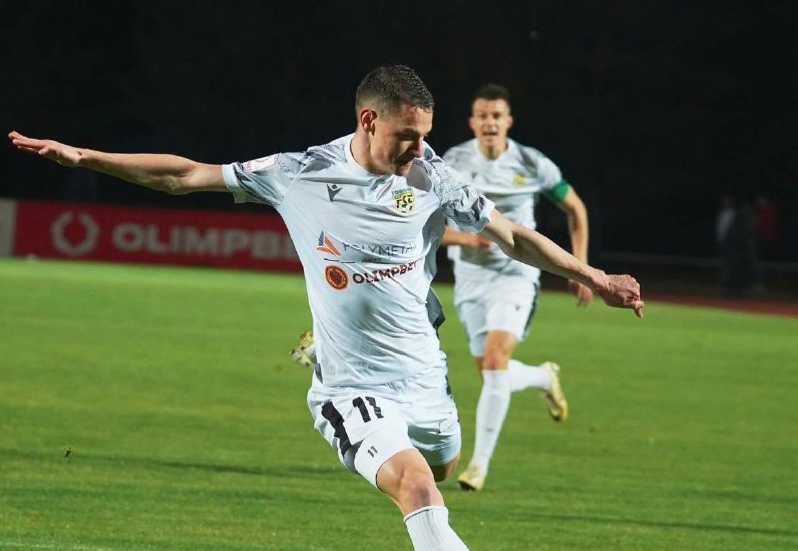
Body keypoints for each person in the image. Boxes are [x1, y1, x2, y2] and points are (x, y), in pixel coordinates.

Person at [9, 64, 643, 551]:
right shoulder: (300, 172)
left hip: (424, 373)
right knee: (417, 486)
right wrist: (86, 157)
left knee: (440, 468)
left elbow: (513, 236)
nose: (419, 150)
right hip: (352, 387)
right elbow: (186, 175)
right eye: (407, 136)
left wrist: (595, 275)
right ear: (369, 120)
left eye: (425, 136)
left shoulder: (432, 177)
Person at [439, 83, 592, 492]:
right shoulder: (452, 162)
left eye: (497, 116)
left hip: (516, 275)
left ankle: (478, 466)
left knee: (493, 362)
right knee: (492, 372)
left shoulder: (531, 163)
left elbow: (575, 208)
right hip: (470, 279)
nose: (490, 123)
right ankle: (542, 377)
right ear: (472, 122)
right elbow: (424, 221)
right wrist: (464, 239)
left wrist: (580, 269)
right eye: (482, 116)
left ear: (508, 121)